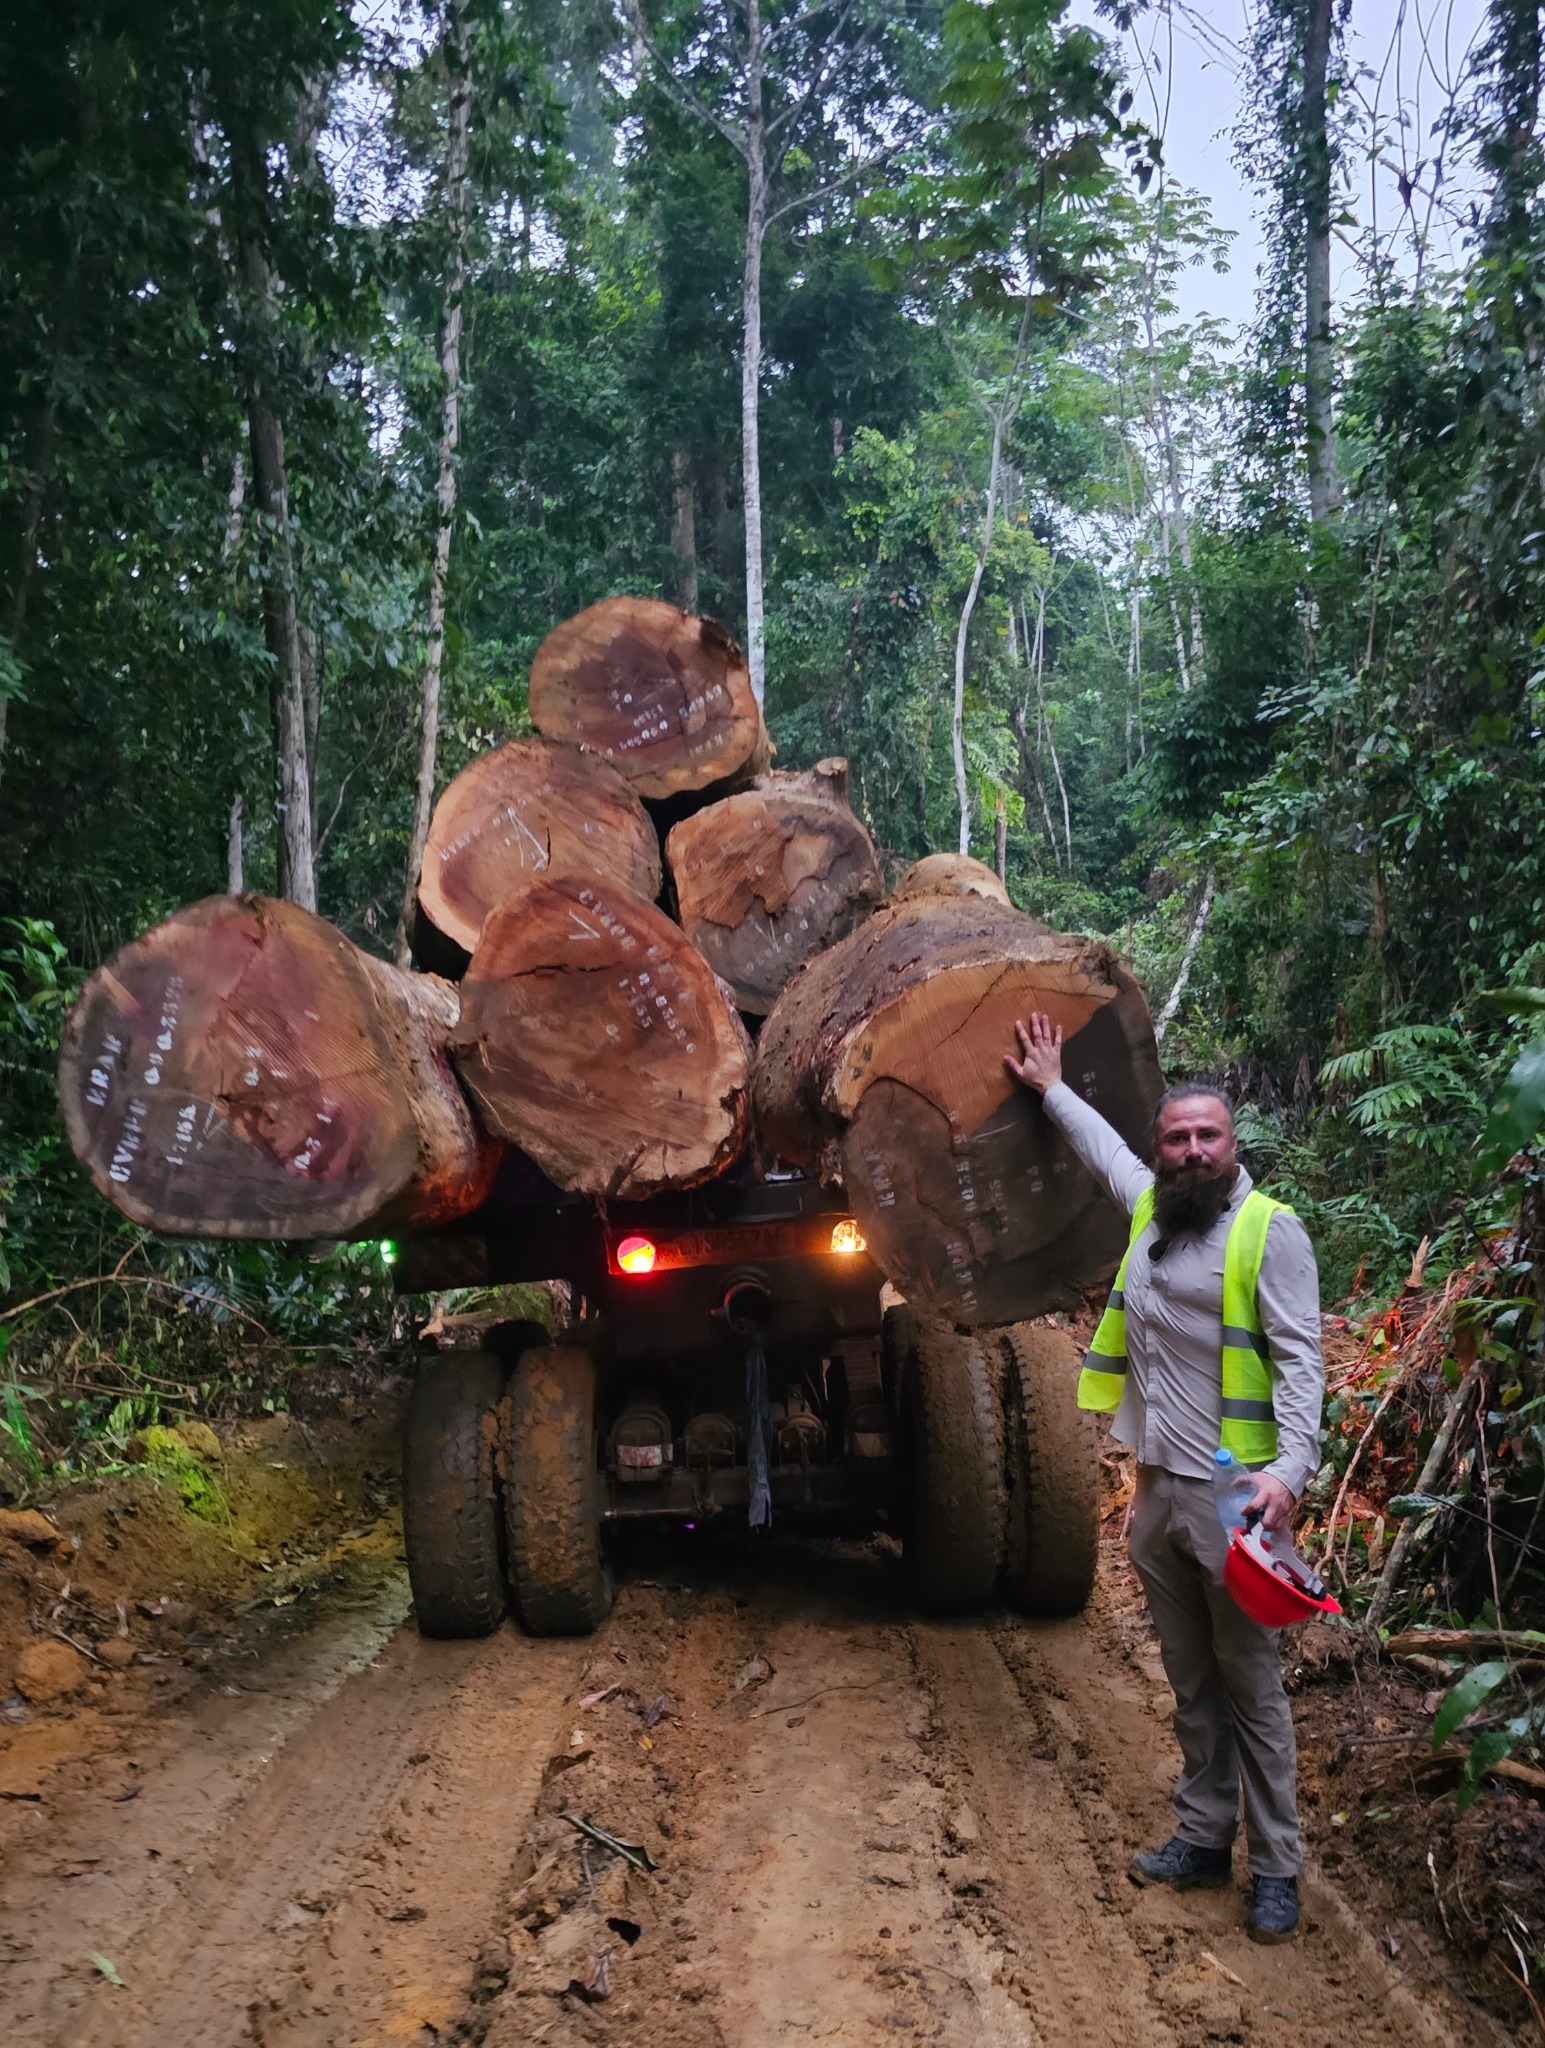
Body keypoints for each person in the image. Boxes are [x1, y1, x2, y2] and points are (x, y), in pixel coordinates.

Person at [1005, 1012, 1324, 1944]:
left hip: (1235, 1503)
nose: (1189, 1151)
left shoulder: (1269, 1232)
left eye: (1206, 1137)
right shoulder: (1152, 1208)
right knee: (1188, 1678)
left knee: (1249, 1686)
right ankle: (1201, 1835)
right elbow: (1104, 1153)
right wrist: (1050, 1084)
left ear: (1232, 1146)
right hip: (1154, 1492)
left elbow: (1303, 1362)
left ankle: (1277, 1868)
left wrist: (1290, 1477)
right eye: (1175, 1137)